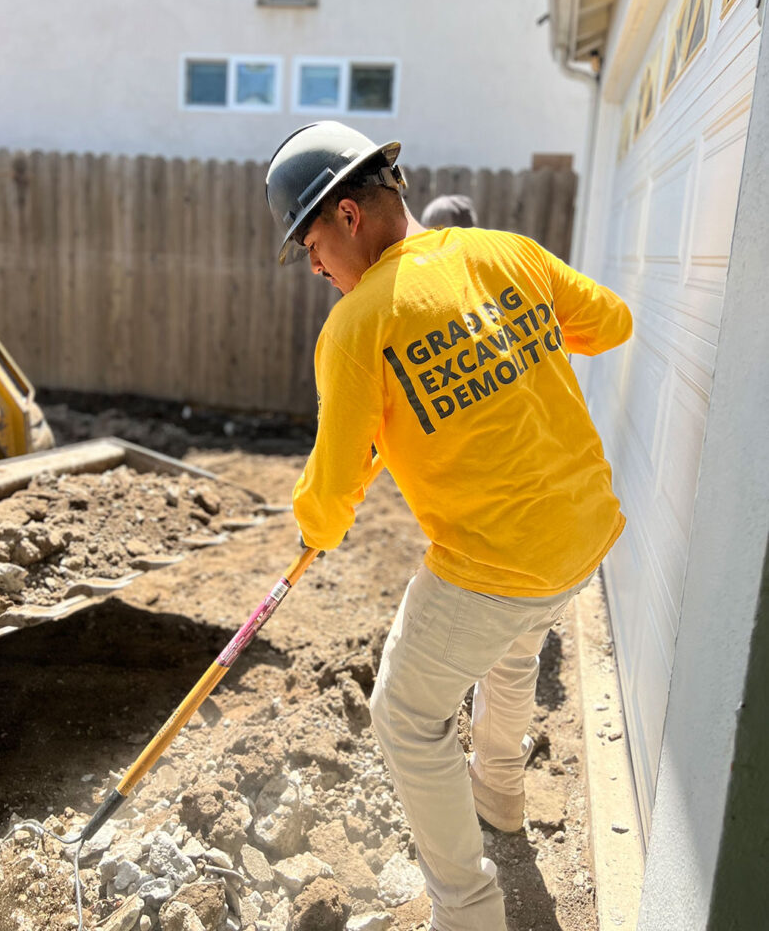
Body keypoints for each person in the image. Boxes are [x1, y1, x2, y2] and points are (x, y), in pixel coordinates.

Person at [265, 121, 632, 931]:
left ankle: (465, 913)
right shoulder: (509, 252)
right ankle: (499, 797)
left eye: (311, 246)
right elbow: (611, 324)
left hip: (496, 561)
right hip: (584, 538)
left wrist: (316, 528)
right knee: (512, 653)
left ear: (348, 217)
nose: (315, 268)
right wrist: (513, 333)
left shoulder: (359, 325)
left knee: (402, 713)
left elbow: (331, 485)